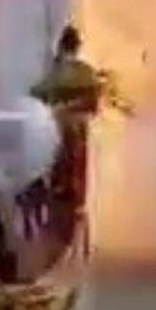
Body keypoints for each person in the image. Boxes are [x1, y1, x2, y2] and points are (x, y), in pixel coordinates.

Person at [29, 27, 102, 243]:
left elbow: (37, 94)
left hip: (60, 130)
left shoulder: (57, 72)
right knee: (73, 171)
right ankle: (72, 204)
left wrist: (60, 108)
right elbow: (93, 104)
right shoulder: (85, 72)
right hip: (73, 131)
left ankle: (62, 201)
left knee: (61, 168)